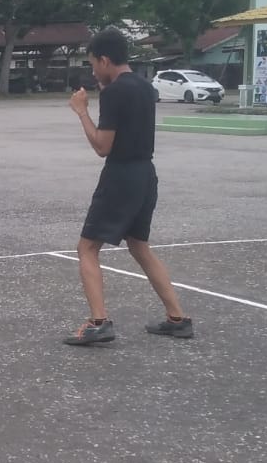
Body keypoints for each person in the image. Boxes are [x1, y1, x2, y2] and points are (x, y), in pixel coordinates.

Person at [63, 27, 192, 345]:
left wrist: (82, 112)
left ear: (105, 60)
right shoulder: (146, 88)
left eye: (94, 64)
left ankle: (98, 322)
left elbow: (103, 146)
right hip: (146, 173)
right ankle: (177, 318)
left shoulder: (115, 92)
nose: (93, 71)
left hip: (121, 175)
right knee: (139, 245)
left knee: (87, 248)